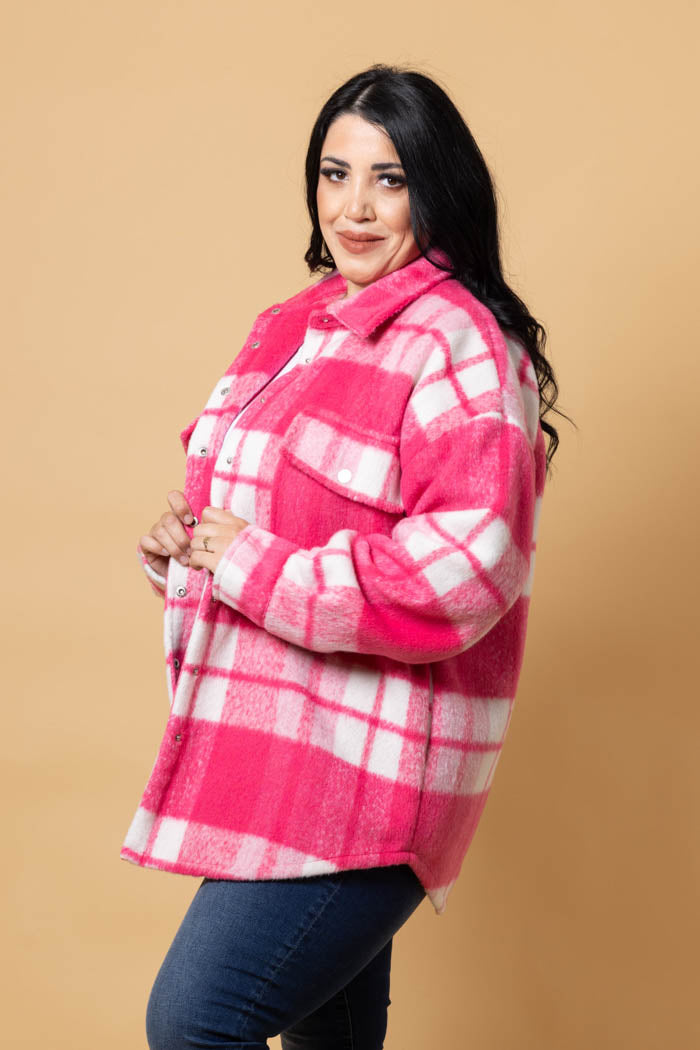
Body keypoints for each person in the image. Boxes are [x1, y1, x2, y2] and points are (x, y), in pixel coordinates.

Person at [124, 63, 568, 1050]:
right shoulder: (292, 326)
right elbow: (246, 517)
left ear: (435, 190)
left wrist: (249, 564)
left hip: (365, 776)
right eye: (336, 174)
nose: (354, 208)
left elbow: (464, 573)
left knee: (195, 1022)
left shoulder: (460, 345)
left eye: (389, 179)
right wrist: (188, 547)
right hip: (273, 756)